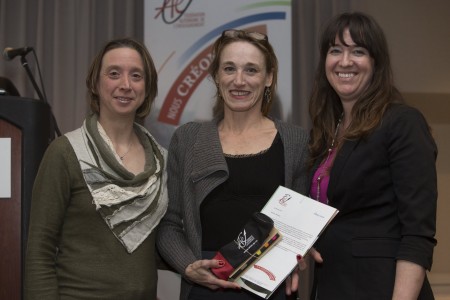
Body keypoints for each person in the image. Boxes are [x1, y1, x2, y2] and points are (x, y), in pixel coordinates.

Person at [156, 29, 309, 300]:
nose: (239, 81)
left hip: (271, 288)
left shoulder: (296, 141)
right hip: (206, 288)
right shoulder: (188, 139)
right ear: (216, 76)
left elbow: (300, 225)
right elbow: (169, 224)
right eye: (229, 68)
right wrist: (188, 267)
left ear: (269, 78)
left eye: (251, 70)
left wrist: (297, 253)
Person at [306, 12, 438, 300]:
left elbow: (417, 234)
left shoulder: (402, 122)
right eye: (335, 50)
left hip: (383, 288)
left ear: (375, 62)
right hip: (333, 286)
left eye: (358, 51)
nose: (344, 61)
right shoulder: (328, 130)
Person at [24, 37, 168, 299]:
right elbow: (39, 253)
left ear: (147, 88)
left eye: (136, 76)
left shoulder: (163, 162)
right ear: (95, 82)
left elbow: (163, 243)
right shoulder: (65, 153)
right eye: (114, 73)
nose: (125, 85)